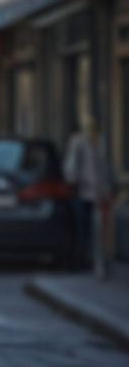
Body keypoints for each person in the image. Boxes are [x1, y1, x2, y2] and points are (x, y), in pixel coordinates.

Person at [63, 113, 116, 279]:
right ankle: (80, 261)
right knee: (82, 228)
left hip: (97, 194)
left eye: (96, 131)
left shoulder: (100, 144)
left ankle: (94, 262)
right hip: (81, 192)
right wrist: (74, 182)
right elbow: (71, 167)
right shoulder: (78, 142)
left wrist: (107, 191)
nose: (94, 135)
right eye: (91, 131)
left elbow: (104, 169)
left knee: (96, 230)